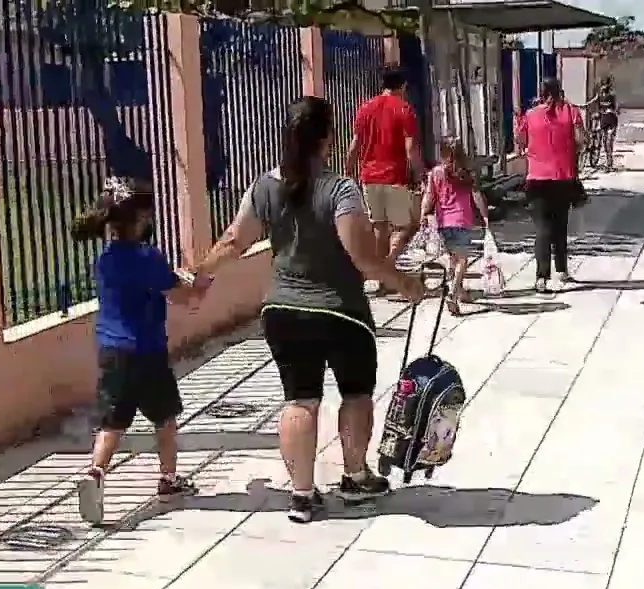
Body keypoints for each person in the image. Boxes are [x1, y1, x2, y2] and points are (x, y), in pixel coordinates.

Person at [188, 96, 426, 523]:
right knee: (355, 394)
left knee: (300, 401)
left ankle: (301, 495)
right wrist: (405, 284)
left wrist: (201, 278)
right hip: (341, 311)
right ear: (327, 139)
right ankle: (354, 477)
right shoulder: (340, 189)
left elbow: (233, 242)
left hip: (283, 311)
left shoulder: (264, 187)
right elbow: (363, 257)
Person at [72, 177, 209, 526]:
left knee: (112, 423)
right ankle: (168, 479)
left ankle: (95, 473)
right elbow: (181, 296)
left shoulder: (104, 260)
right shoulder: (150, 257)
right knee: (164, 420)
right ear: (141, 218)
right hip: (147, 352)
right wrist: (200, 285)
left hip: (111, 352)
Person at [346, 65, 426, 287]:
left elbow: (355, 145)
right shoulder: (404, 110)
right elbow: (411, 149)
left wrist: (348, 171)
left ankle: (379, 277)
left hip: (368, 177)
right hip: (394, 177)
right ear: (403, 85)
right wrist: (420, 175)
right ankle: (386, 269)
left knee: (380, 227)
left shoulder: (365, 108)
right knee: (407, 227)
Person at [514, 77, 585, 294]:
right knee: (560, 224)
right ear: (559, 91)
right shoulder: (571, 111)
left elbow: (521, 141)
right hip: (563, 177)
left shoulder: (531, 114)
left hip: (536, 178)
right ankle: (561, 270)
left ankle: (541, 278)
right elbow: (581, 140)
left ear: (541, 93)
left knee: (542, 228)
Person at [420, 137, 489, 315]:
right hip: (461, 221)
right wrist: (484, 215)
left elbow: (429, 196)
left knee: (453, 258)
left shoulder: (435, 173)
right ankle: (452, 293)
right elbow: (477, 196)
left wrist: (423, 214)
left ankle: (459, 290)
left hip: (443, 223)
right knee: (463, 260)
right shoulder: (466, 172)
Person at [595, 78, 619, 170]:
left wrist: (612, 111)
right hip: (603, 120)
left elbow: (616, 108)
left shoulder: (612, 96)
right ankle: (608, 161)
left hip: (611, 120)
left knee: (609, 141)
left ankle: (609, 163)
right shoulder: (599, 96)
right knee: (605, 142)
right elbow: (597, 108)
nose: (603, 88)